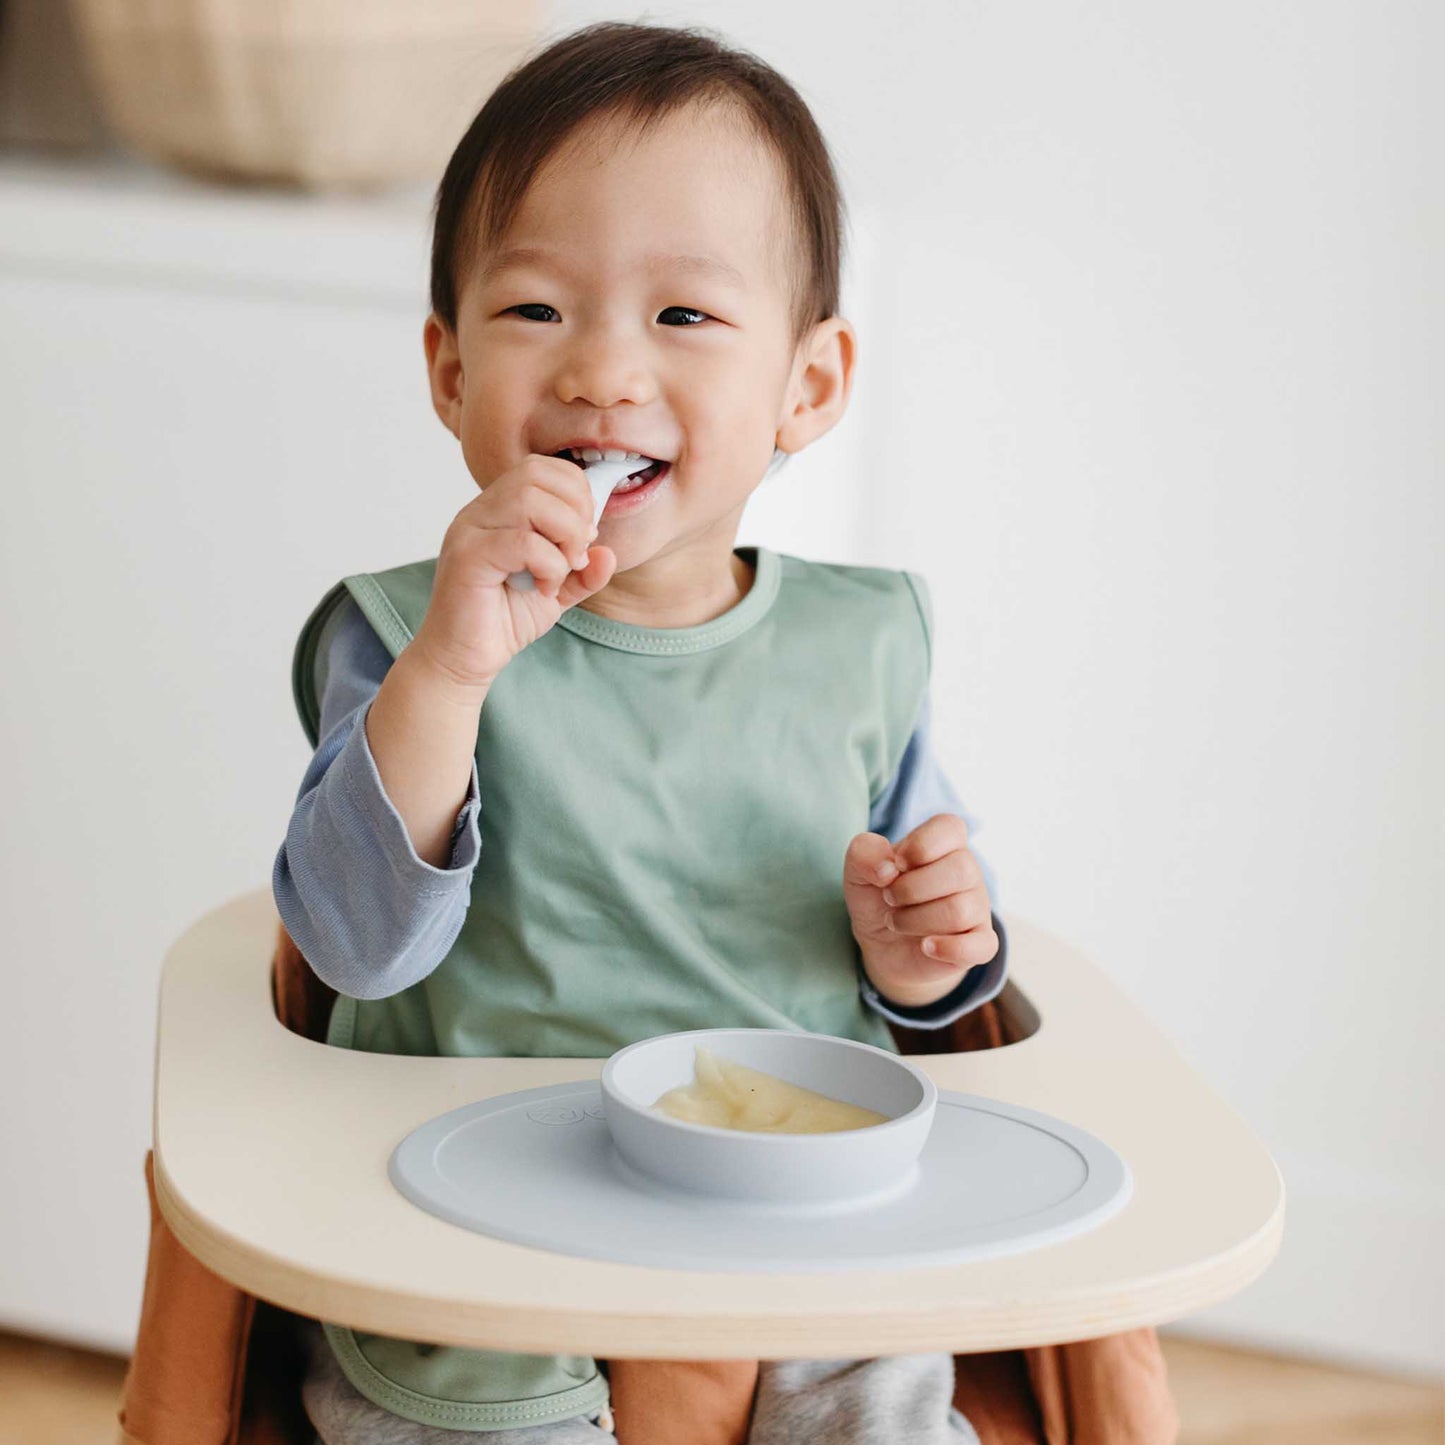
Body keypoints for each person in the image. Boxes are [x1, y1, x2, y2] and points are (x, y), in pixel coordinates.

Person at [274, 20, 1007, 1445]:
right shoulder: (400, 633)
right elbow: (355, 943)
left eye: (681, 316)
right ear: (446, 370)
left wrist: (925, 950)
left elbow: (941, 963)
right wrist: (449, 667)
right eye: (537, 310)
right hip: (467, 1225)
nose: (603, 371)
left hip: (791, 1215)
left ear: (808, 384)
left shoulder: (860, 644)